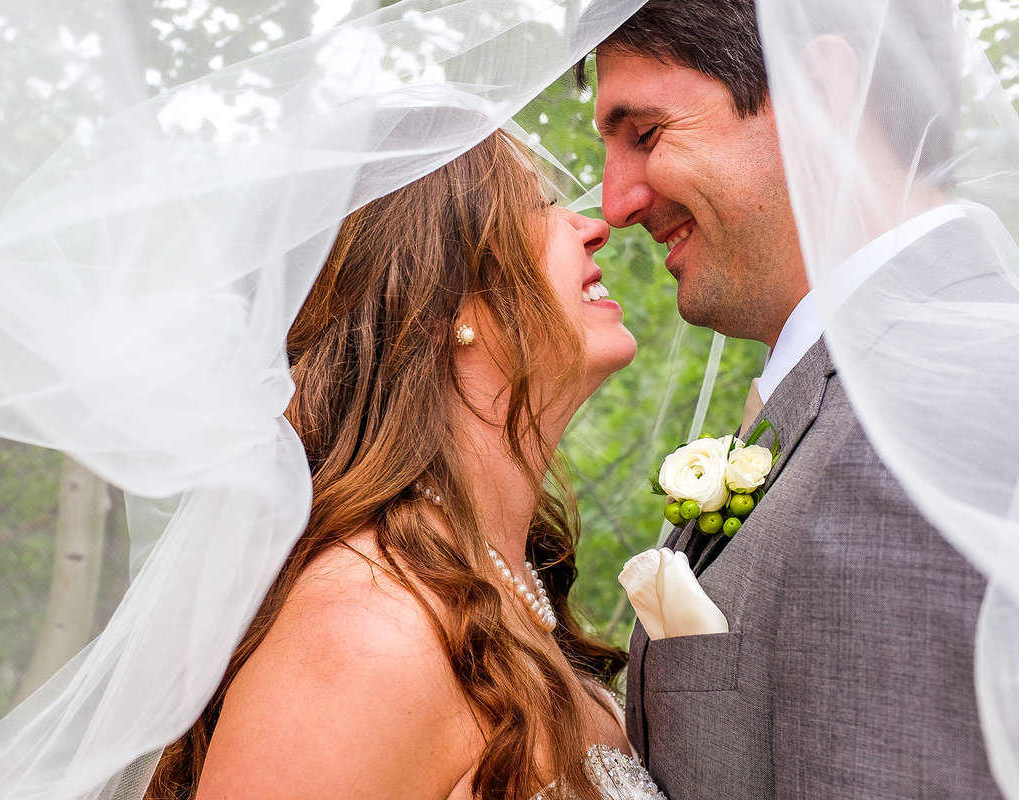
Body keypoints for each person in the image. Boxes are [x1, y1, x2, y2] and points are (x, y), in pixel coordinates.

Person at [141, 130, 661, 800]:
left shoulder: (502, 581)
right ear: (449, 299)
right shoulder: (362, 633)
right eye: (538, 208)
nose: (591, 227)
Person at [588, 0, 1012, 797]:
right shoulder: (854, 394)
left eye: (645, 134)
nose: (614, 205)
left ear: (820, 89)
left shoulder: (926, 411)